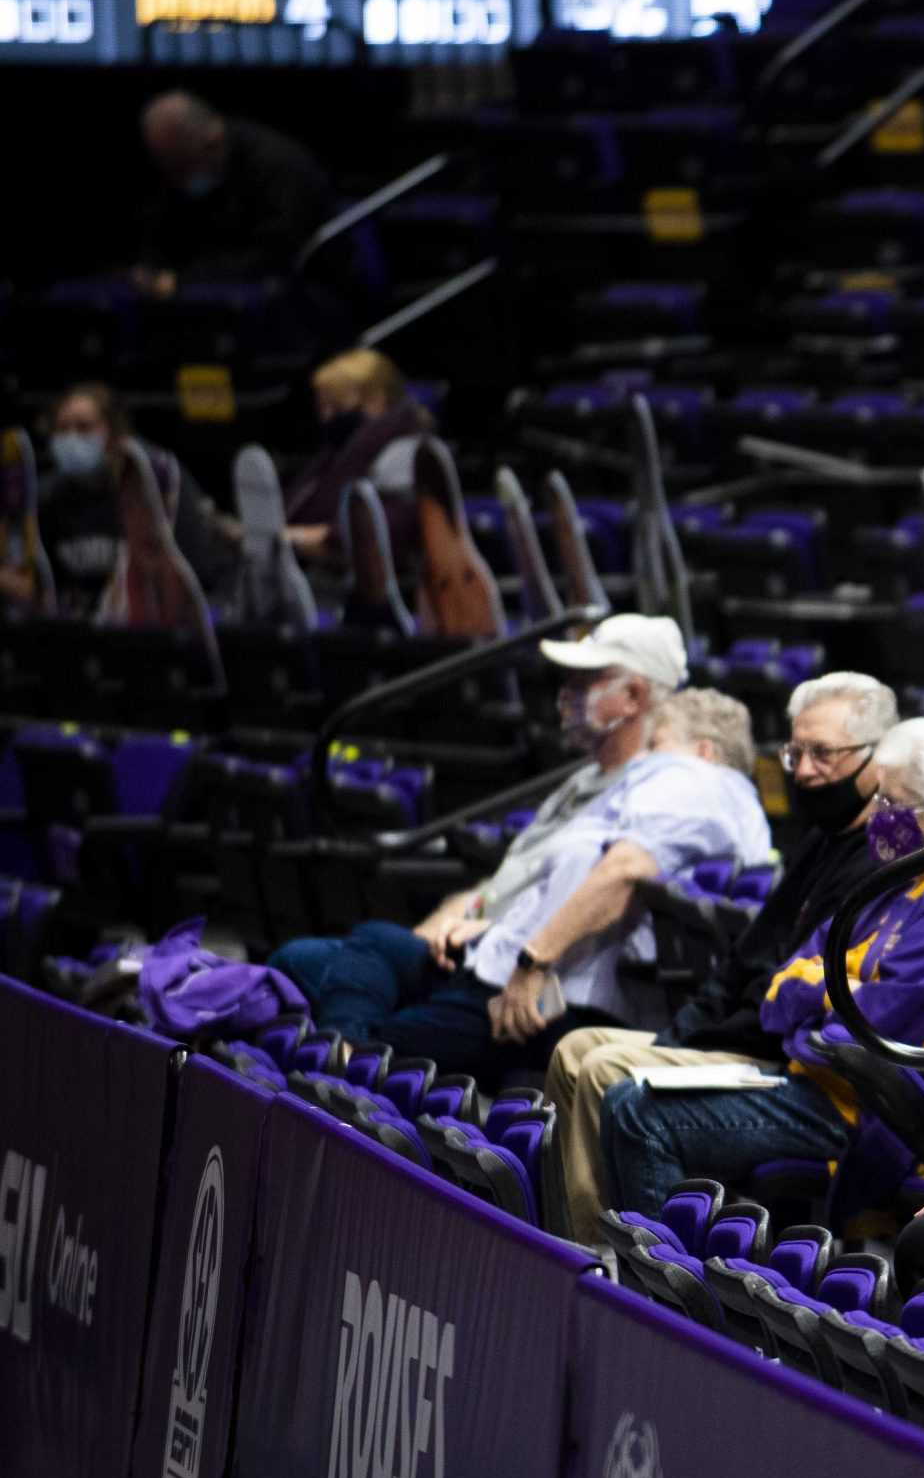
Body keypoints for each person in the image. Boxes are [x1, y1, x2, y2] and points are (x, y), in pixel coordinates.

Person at [598, 718, 924, 1221]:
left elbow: (876, 1027)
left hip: (867, 1114)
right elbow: (783, 984)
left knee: (637, 1113)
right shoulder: (900, 875)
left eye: (892, 803)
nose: (876, 815)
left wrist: (822, 993)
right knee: (625, 1095)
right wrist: (833, 990)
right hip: (812, 1084)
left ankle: (663, 1288)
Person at [547, 671, 897, 1244]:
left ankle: (616, 1259)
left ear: (877, 757)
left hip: (776, 1060)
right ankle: (577, 1236)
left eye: (824, 755)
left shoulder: (883, 860)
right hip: (731, 1036)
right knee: (574, 1050)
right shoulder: (821, 840)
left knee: (608, 1070)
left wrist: (696, 1040)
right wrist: (682, 1033)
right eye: (796, 751)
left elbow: (788, 1001)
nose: (804, 771)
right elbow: (744, 959)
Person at [270, 615, 690, 1064]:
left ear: (633, 696)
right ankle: (347, 1054)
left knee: (337, 978)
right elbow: (506, 882)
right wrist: (455, 917)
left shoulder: (652, 794)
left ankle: (347, 1061)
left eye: (586, 680)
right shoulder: (582, 779)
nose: (568, 693)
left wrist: (514, 949)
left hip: (527, 978)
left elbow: (588, 896)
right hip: (471, 949)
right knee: (302, 960)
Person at [34, 383, 234, 612]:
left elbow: (196, 573)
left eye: (84, 428)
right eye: (62, 429)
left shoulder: (152, 485)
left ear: (113, 432)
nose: (71, 439)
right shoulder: (47, 498)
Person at [136, 92, 335, 296]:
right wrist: (152, 269)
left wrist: (183, 280)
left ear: (212, 141)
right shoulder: (190, 167)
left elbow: (274, 257)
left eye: (181, 165)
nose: (176, 178)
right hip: (221, 294)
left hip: (307, 295)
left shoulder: (280, 167)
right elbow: (162, 235)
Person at [283, 350, 438, 561]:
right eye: (322, 407)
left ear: (375, 401)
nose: (326, 417)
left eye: (336, 406)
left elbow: (393, 526)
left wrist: (309, 537)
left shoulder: (407, 450)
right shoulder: (338, 451)